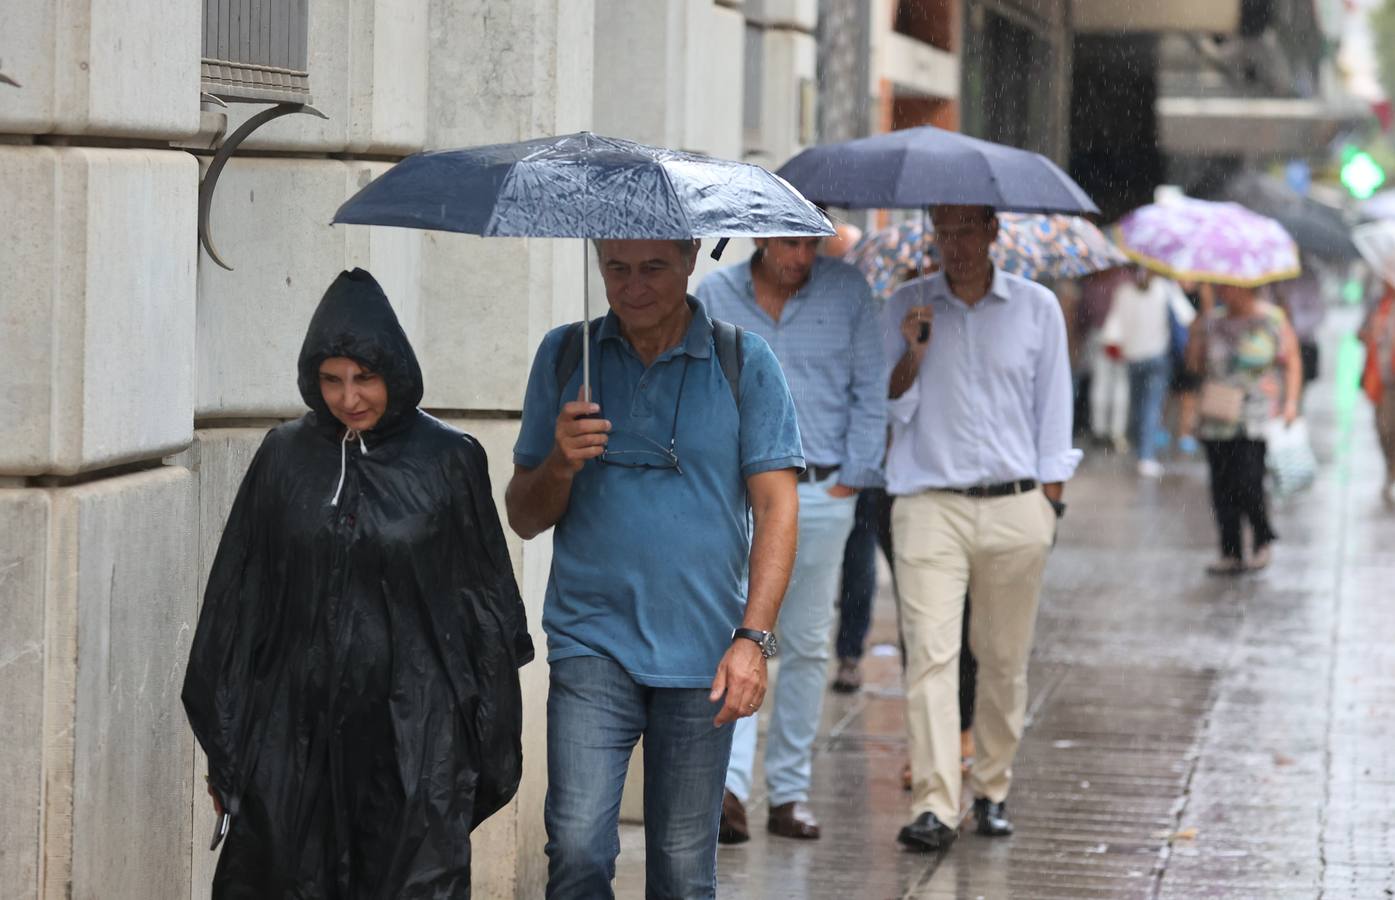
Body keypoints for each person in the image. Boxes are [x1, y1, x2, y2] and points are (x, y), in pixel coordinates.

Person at [183, 269, 533, 899]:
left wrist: (478, 747)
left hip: (414, 735)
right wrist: (228, 748)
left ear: (394, 372)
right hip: (293, 735)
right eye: (332, 379)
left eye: (364, 377)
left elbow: (487, 612)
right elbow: (236, 600)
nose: (349, 397)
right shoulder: (284, 456)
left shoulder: (448, 460)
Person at [506, 239, 802, 899]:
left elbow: (776, 508)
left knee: (681, 870)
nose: (632, 287)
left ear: (690, 258)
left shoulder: (744, 361)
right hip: (591, 641)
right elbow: (523, 516)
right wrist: (560, 463)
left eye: (653, 269)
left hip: (704, 653)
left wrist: (752, 640)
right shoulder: (565, 355)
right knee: (577, 849)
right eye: (616, 268)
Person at [882, 205, 1079, 852]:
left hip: (1015, 504)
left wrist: (1048, 503)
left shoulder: (1036, 307)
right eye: (944, 230)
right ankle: (935, 804)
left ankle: (991, 788)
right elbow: (887, 404)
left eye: (967, 229)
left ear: (993, 232)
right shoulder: (906, 305)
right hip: (928, 503)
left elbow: (1054, 408)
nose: (955, 244)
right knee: (930, 656)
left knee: (1002, 659)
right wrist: (913, 352)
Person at [697, 235, 887, 842]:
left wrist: (852, 480)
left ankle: (788, 792)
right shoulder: (714, 294)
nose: (801, 256)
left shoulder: (849, 291)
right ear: (760, 236)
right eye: (789, 242)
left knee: (804, 643)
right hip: (738, 493)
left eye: (810, 243)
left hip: (822, 491)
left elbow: (871, 390)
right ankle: (729, 788)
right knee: (738, 635)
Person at [1187, 283, 1301, 574]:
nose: (1225, 292)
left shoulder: (1272, 319)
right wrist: (1198, 325)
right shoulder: (1212, 321)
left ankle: (1262, 539)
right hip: (1217, 415)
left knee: (1249, 481)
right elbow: (1195, 365)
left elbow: (1291, 361)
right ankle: (1231, 551)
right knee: (1221, 486)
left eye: (1230, 287)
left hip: (1255, 415)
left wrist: (1290, 402)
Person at [1101, 266, 1195, 478]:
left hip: (1133, 357)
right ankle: (1145, 455)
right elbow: (1187, 316)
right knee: (1151, 407)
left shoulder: (1123, 291)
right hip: (1157, 356)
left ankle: (1139, 451)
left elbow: (1114, 325)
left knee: (1137, 406)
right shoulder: (1165, 289)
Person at [1361, 281, 1395, 501]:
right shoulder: (1378, 304)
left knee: (1390, 428)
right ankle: (1390, 469)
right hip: (1380, 379)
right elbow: (1362, 333)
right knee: (1383, 429)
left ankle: (1392, 472)